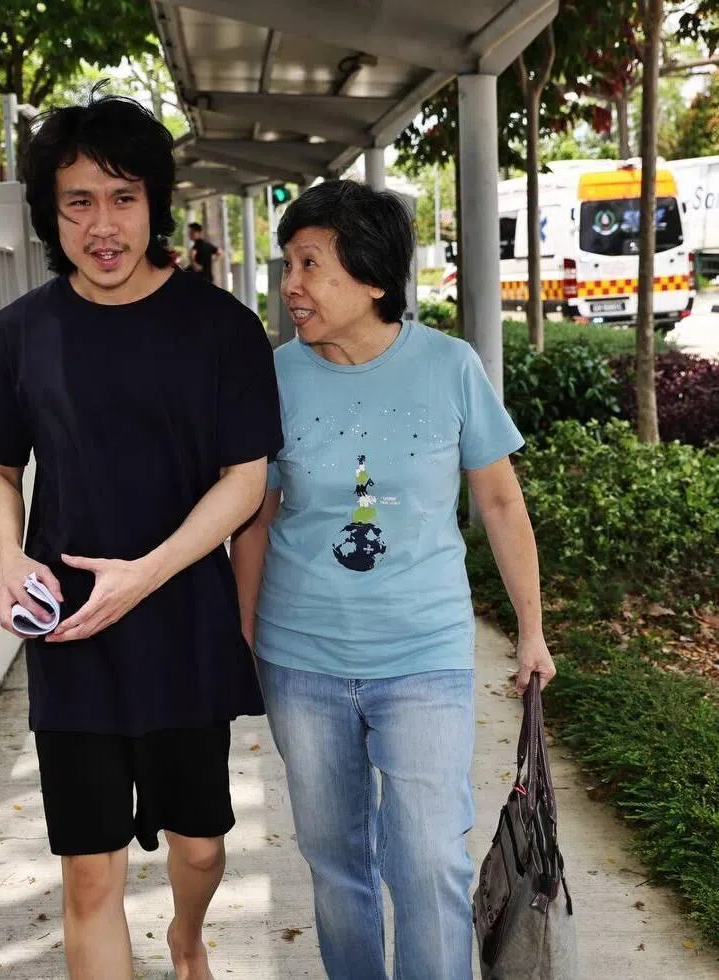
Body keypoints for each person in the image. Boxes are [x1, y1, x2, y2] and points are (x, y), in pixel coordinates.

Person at [0, 88, 282, 980]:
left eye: (122, 197)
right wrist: (6, 555)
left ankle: (185, 938)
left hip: (182, 622)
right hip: (70, 633)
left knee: (200, 847)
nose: (102, 224)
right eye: (79, 200)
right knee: (89, 877)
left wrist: (144, 575)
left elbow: (246, 480)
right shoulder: (18, 335)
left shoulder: (220, 328)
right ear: (50, 212)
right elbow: (0, 472)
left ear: (154, 205)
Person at [231, 179, 556, 980]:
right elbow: (255, 518)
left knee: (426, 863)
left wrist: (532, 629)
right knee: (338, 867)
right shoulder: (273, 375)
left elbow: (501, 501)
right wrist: (243, 639)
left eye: (311, 264)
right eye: (288, 264)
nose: (291, 285)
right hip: (301, 659)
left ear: (373, 278)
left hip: (423, 656)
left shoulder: (449, 367)